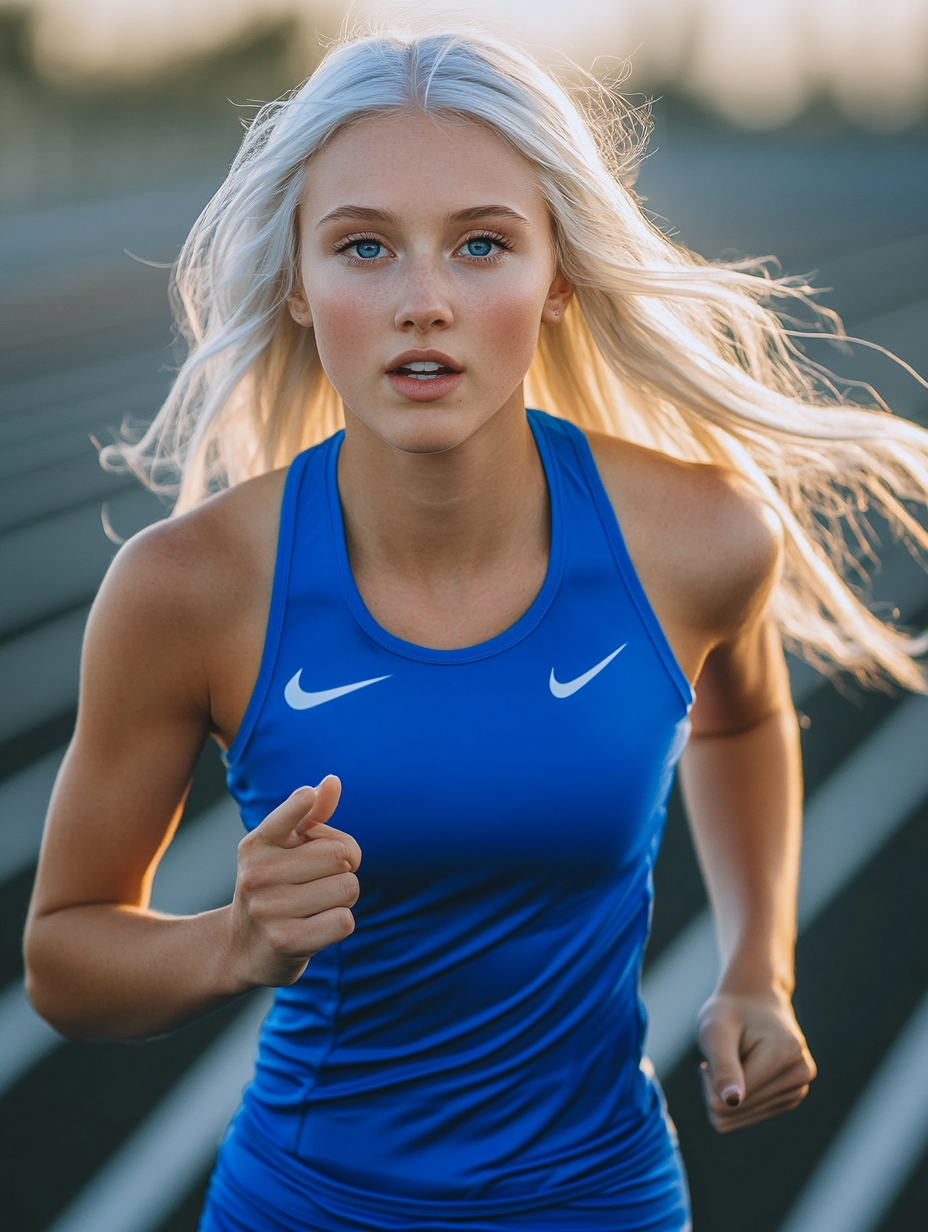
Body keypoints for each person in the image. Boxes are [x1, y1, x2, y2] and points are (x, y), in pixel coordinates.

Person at [23, 24, 928, 1232]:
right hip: (303, 1209)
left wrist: (758, 963)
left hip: (603, 1201)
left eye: (482, 243)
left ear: (557, 273)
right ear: (298, 279)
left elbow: (742, 713)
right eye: (363, 247)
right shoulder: (186, 588)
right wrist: (230, 941)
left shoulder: (700, 538)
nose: (424, 302)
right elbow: (63, 958)